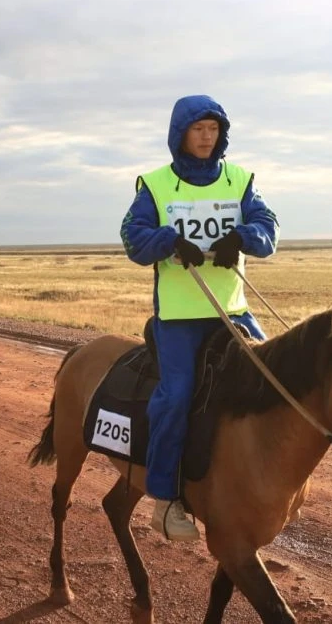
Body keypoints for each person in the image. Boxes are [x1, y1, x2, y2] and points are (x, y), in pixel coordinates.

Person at [120, 95, 280, 541]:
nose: (207, 137)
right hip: (179, 317)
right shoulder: (154, 185)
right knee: (176, 395)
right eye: (198, 129)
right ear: (180, 134)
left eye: (213, 129)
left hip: (232, 310)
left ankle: (270, 486)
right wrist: (169, 242)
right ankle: (165, 499)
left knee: (274, 379)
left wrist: (244, 237)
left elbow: (269, 226)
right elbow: (133, 239)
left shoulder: (240, 179)